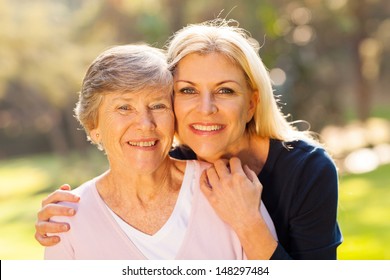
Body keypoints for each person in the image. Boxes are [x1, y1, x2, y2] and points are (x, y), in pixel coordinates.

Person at [36, 18, 342, 259]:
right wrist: (73, 212)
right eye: (187, 91)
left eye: (225, 90)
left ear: (251, 103)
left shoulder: (307, 170)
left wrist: (248, 223)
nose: (206, 109)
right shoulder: (176, 159)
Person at [43, 43, 276, 260]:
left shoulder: (231, 188)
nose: (145, 123)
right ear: (94, 127)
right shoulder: (67, 221)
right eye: (124, 107)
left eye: (157, 106)